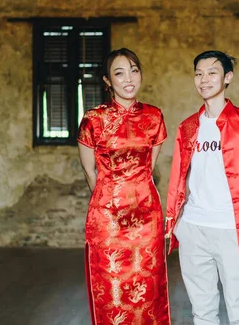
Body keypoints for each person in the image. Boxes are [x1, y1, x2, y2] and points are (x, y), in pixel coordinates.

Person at [165, 50, 239, 325]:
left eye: (212, 72)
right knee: (202, 312)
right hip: (194, 229)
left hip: (232, 229)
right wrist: (176, 222)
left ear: (227, 77)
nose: (204, 79)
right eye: (198, 73)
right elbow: (177, 178)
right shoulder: (188, 127)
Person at [78, 48, 170, 325]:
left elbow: (148, 168)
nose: (129, 78)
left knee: (149, 289)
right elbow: (88, 169)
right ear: (107, 81)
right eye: (119, 73)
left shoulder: (154, 116)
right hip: (107, 218)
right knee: (111, 289)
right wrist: (108, 200)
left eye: (134, 70)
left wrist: (133, 193)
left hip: (146, 216)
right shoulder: (93, 119)